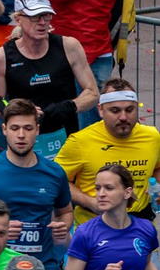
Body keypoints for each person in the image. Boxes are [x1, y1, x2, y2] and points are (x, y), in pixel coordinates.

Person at [0, 98, 74, 270]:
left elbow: (65, 212)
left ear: (37, 130)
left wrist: (63, 227)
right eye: (15, 128)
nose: (21, 135)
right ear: (4, 130)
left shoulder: (54, 172)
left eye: (28, 128)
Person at [56, 80, 160, 225]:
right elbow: (57, 180)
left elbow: (157, 168)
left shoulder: (152, 137)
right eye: (115, 110)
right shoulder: (80, 141)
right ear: (100, 110)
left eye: (129, 110)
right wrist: (90, 202)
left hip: (139, 223)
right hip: (94, 226)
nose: (123, 117)